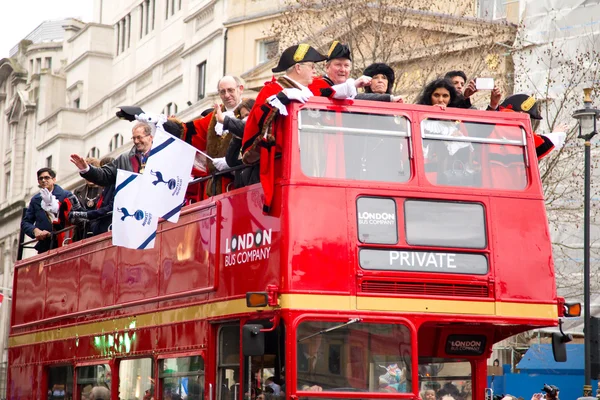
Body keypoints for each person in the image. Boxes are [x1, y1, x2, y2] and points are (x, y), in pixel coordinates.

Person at [241, 43, 328, 212]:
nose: (315, 71)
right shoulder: (272, 90)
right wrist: (282, 98)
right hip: (284, 165)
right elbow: (258, 122)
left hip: (313, 163)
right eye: (311, 66)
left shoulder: (311, 91)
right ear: (298, 67)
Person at [184, 76, 245, 196]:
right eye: (222, 92)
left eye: (230, 90)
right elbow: (189, 131)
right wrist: (164, 123)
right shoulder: (212, 118)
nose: (227, 95)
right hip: (216, 188)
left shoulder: (251, 109)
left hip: (242, 182)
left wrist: (233, 162)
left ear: (240, 89)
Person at [70, 122, 153, 186]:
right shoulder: (124, 159)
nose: (136, 141)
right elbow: (105, 175)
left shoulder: (161, 156)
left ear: (150, 137)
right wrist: (87, 169)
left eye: (139, 137)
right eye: (134, 138)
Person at [498, 94, 566, 160]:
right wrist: (555, 135)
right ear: (521, 112)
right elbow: (536, 145)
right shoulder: (511, 118)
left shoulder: (498, 116)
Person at [21, 168, 72, 253]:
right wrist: (35, 231)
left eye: (47, 178)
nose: (43, 180)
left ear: (54, 179)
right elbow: (25, 222)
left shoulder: (66, 195)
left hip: (63, 242)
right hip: (44, 245)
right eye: (41, 178)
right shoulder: (35, 199)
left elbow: (72, 218)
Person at [69, 156, 116, 236]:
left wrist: (86, 214)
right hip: (84, 232)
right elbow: (72, 216)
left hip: (104, 229)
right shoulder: (78, 191)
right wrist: (80, 211)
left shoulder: (111, 186)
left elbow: (109, 208)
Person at [221, 98, 256, 188]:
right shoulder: (242, 137)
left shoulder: (261, 133)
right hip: (242, 187)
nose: (245, 119)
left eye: (248, 115)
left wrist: (225, 121)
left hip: (255, 184)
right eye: (243, 117)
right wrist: (237, 138)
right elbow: (232, 162)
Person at [72, 157, 102, 241]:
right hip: (81, 234)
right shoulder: (78, 191)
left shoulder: (105, 189)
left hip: (99, 232)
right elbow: (73, 212)